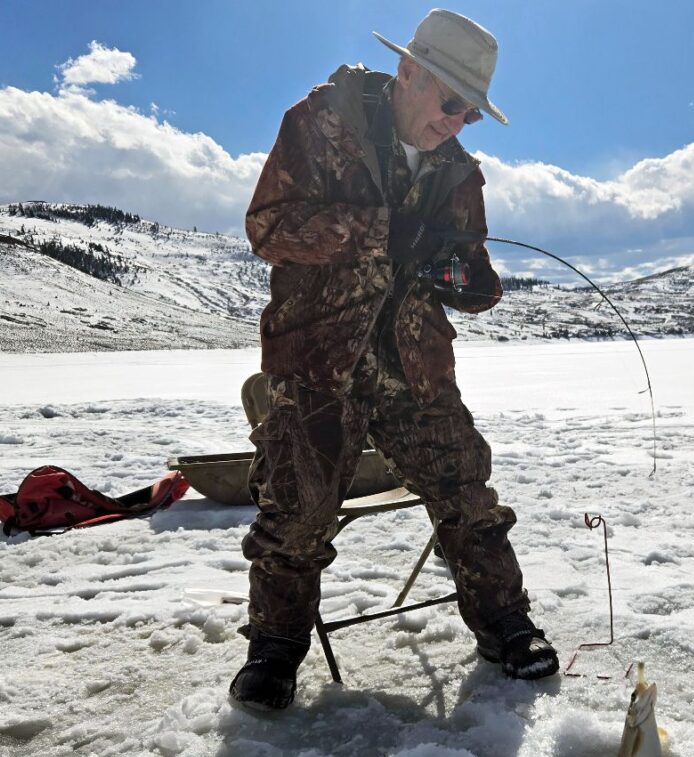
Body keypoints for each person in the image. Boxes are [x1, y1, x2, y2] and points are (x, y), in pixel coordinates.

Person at [231, 8, 558, 713]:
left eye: (470, 114)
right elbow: (268, 228)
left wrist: (466, 280)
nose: (456, 122)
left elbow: (472, 269)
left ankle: (506, 622)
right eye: (451, 103)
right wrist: (376, 232)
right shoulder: (321, 122)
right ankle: (275, 646)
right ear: (410, 72)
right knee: (297, 506)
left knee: (467, 487)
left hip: (413, 363)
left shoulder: (460, 173)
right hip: (318, 353)